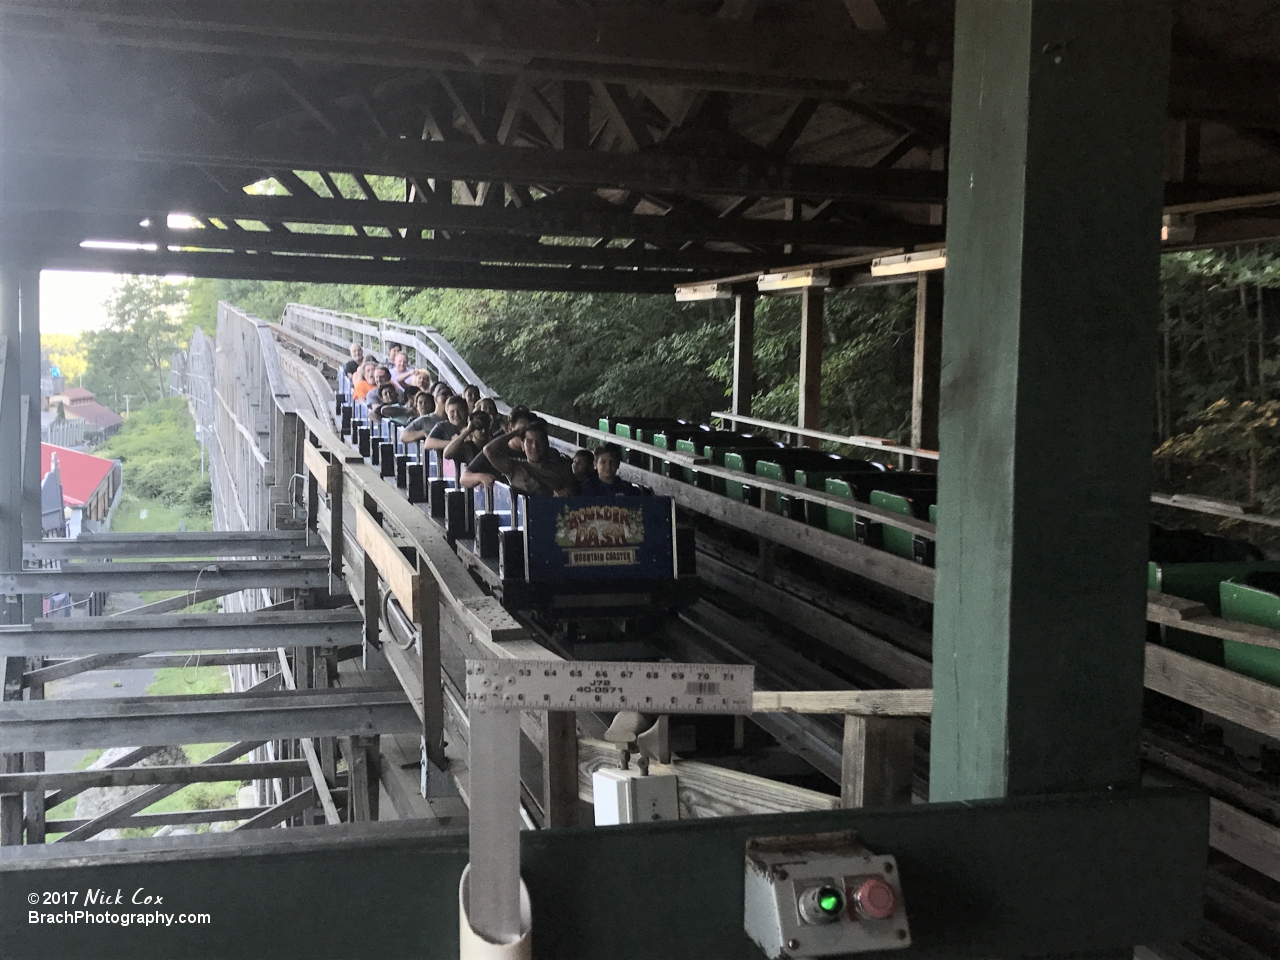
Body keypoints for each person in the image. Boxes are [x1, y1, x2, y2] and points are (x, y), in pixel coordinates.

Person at [481, 418, 577, 497]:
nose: (534, 446)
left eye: (539, 442)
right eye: (529, 442)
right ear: (522, 446)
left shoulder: (562, 469)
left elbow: (573, 491)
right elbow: (489, 450)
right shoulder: (514, 467)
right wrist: (516, 432)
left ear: (546, 444)